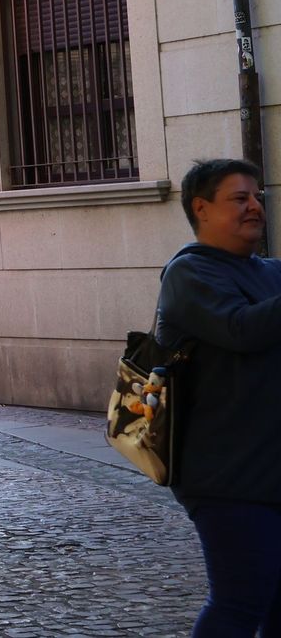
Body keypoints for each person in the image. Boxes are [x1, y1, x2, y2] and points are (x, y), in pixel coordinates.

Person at [156, 158, 281, 636]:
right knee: (239, 605)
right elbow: (241, 329)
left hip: (272, 467)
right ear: (201, 208)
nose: (254, 206)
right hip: (227, 476)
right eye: (239, 198)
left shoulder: (270, 272)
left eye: (257, 197)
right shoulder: (189, 274)